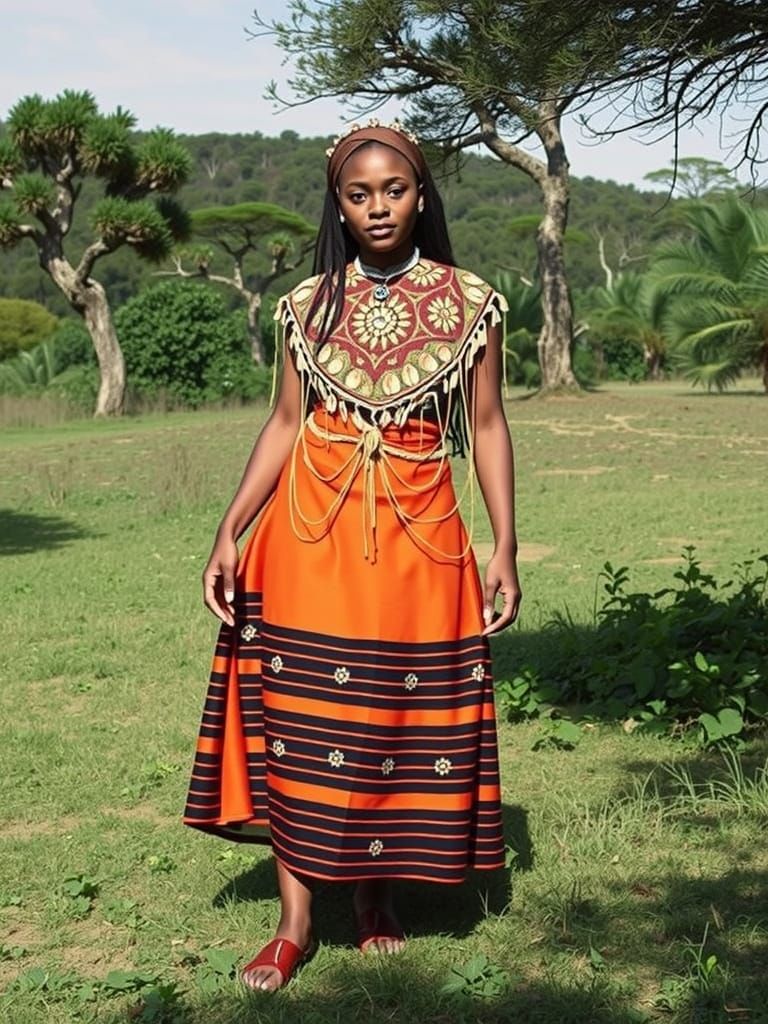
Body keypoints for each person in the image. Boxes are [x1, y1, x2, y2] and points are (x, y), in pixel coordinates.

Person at [183, 120, 522, 992]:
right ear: (338, 202)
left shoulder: (470, 303)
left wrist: (505, 546)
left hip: (421, 536)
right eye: (358, 193)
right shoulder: (307, 306)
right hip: (305, 535)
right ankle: (295, 922)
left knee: (388, 721)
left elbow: (485, 427)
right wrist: (230, 528)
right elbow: (286, 424)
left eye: (395, 190)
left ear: (423, 194)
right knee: (297, 727)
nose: (378, 207)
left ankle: (377, 899)